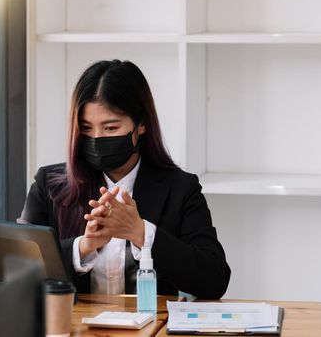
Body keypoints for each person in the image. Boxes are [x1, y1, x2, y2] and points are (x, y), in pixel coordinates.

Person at [19, 60, 230, 299]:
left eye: (110, 128)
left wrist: (142, 233)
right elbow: (19, 266)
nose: (96, 139)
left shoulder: (181, 188)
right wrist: (83, 247)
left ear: (141, 125)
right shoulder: (49, 184)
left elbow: (215, 279)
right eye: (86, 128)